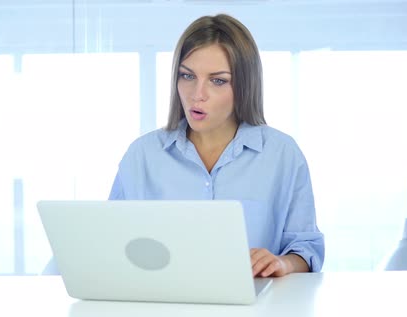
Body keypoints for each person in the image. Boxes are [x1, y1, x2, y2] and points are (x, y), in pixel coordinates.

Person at [108, 14, 324, 277]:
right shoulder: (141, 156)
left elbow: (306, 248)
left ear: (245, 85)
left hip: (256, 313)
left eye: (218, 80)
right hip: (162, 311)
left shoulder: (282, 154)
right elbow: (112, 247)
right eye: (187, 76)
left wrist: (282, 263)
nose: (197, 94)